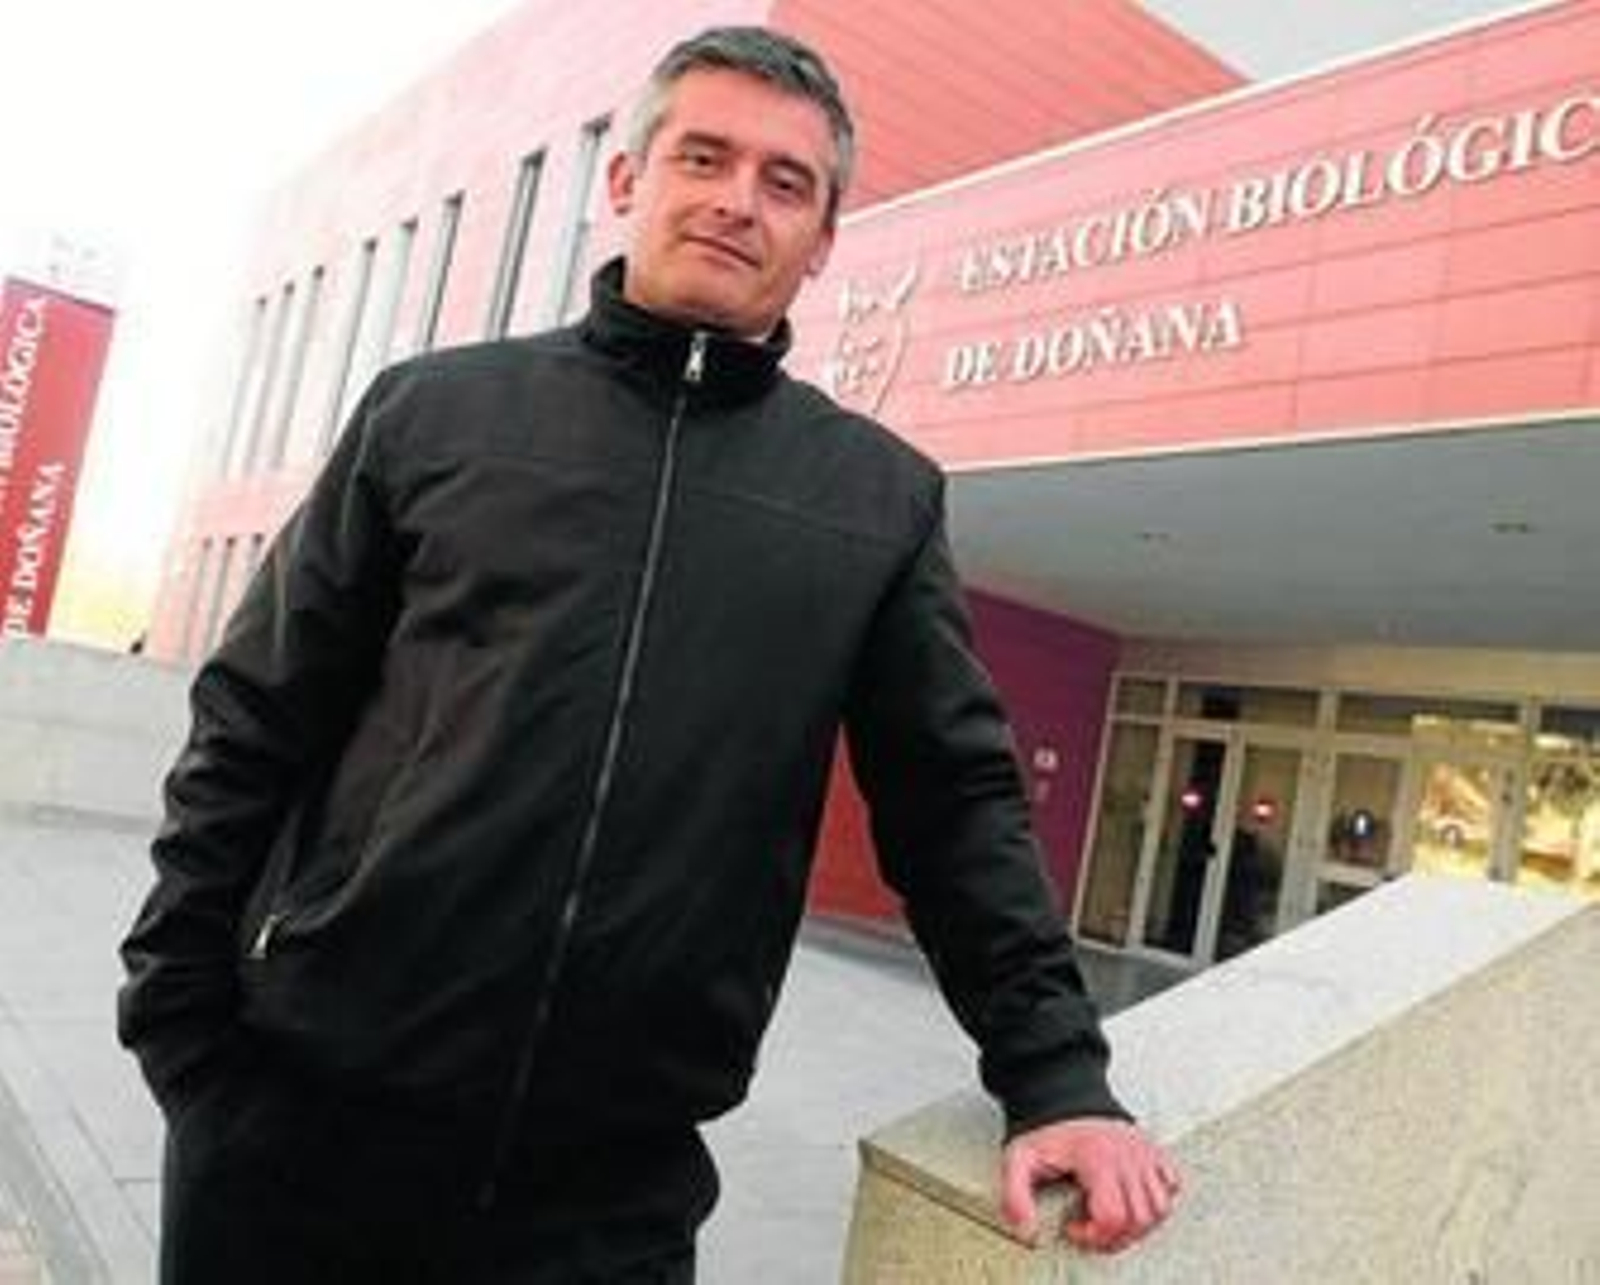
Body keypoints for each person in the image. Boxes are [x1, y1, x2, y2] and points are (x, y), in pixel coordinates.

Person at [118, 25, 1179, 1284]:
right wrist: (184, 1022)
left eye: (786, 183)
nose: (738, 202)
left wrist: (1056, 1072)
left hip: (607, 1202)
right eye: (704, 157)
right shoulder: (434, 414)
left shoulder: (873, 499)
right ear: (628, 183)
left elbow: (956, 806)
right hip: (299, 1141)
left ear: (826, 236)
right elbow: (256, 716)